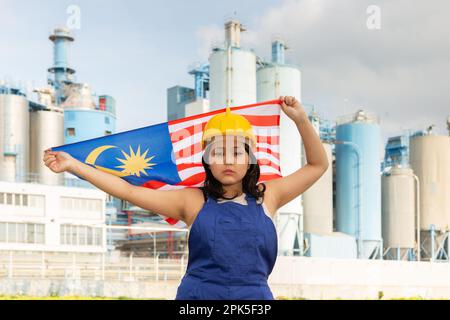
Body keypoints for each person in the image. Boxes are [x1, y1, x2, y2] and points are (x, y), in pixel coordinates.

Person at [43, 96, 328, 300]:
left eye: (237, 152)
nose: (227, 160)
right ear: (206, 159)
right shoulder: (192, 201)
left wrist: (301, 120)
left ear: (251, 158)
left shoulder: (270, 197)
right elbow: (128, 191)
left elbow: (317, 165)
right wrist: (74, 165)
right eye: (217, 152)